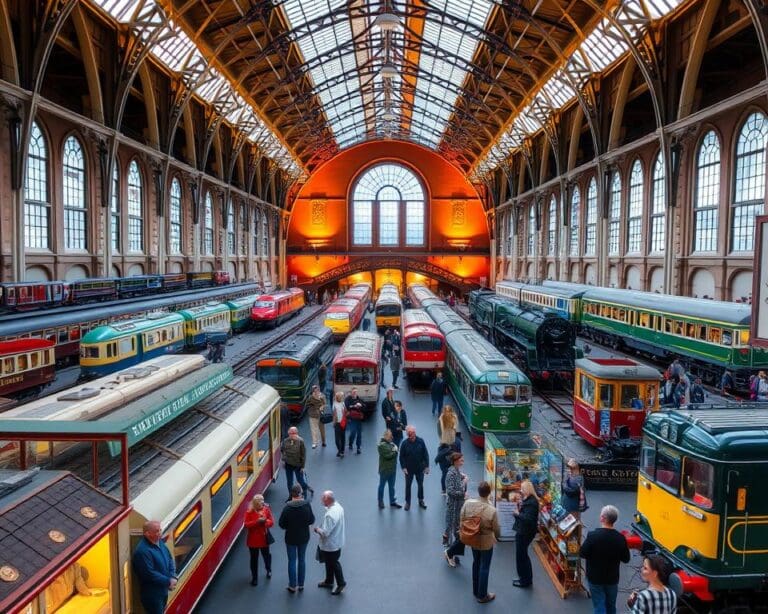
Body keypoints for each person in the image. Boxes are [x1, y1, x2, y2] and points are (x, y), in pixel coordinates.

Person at [579, 504, 631, 614]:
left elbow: (582, 553)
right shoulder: (620, 538)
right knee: (611, 605)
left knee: (599, 605)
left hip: (595, 578)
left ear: (602, 518)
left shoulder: (593, 536)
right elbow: (626, 559)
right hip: (612, 578)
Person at [457, 481, 500, 603]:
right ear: (489, 493)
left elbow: (462, 518)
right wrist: (496, 537)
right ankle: (482, 595)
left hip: (473, 539)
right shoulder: (492, 510)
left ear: (478, 492)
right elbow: (497, 529)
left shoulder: (468, 503)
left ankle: (475, 590)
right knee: (484, 567)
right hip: (486, 542)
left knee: (476, 563)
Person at [131, 520, 177, 614]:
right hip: (152, 595)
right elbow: (149, 573)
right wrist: (168, 581)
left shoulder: (159, 542)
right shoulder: (142, 552)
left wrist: (172, 576)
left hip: (163, 590)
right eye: (157, 531)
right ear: (147, 534)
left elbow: (169, 559)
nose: (160, 532)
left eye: (160, 529)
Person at [278, 484, 315, 593]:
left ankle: (292, 585)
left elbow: (281, 525)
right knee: (302, 560)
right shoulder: (307, 505)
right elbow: (311, 520)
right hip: (304, 537)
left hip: (290, 538)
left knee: (292, 561)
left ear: (292, 494)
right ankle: (301, 584)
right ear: (300, 494)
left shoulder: (287, 508)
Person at [315, 491, 346, 595]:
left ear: (328, 500)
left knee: (333, 563)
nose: (321, 500)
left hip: (330, 544)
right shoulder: (338, 507)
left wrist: (317, 529)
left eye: (323, 499)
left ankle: (341, 583)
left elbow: (325, 533)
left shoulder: (330, 515)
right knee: (329, 562)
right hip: (337, 541)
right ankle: (329, 580)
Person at [512, 479, 539, 589]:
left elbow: (528, 519)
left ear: (527, 490)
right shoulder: (530, 500)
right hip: (524, 531)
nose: (521, 491)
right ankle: (524, 577)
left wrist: (517, 514)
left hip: (525, 532)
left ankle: (525, 580)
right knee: (522, 555)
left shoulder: (532, 503)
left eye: (522, 489)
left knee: (522, 556)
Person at [243, 494, 274, 586]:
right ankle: (254, 577)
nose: (263, 503)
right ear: (256, 504)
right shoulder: (249, 512)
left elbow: (271, 522)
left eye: (263, 501)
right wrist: (257, 522)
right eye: (261, 502)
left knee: (266, 556)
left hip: (264, 538)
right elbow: (246, 524)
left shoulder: (266, 509)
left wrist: (265, 522)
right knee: (254, 559)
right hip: (253, 540)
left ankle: (268, 570)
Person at [399, 425, 430, 510]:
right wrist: (404, 467)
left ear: (415, 433)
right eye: (409, 434)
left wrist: (427, 466)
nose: (411, 435)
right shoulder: (404, 444)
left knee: (420, 485)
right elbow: (401, 457)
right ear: (407, 434)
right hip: (409, 469)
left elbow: (425, 454)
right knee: (408, 485)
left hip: (420, 468)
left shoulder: (421, 441)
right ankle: (408, 502)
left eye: (412, 433)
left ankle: (421, 500)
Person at [443, 452, 468, 546]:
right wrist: (463, 486)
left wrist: (463, 477)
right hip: (453, 504)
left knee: (455, 522)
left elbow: (458, 478)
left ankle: (451, 539)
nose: (463, 461)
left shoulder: (456, 471)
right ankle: (449, 542)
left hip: (458, 503)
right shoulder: (451, 473)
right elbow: (450, 491)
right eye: (461, 460)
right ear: (456, 461)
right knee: (451, 522)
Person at [281, 427, 311, 500]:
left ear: (297, 433)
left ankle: (304, 492)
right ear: (288, 433)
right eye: (291, 433)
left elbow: (303, 454)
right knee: (289, 482)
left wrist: (303, 466)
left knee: (300, 480)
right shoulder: (285, 441)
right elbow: (282, 450)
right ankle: (291, 496)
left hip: (298, 465)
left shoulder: (300, 441)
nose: (292, 435)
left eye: (294, 433)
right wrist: (283, 460)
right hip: (288, 464)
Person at [377, 429, 402, 509]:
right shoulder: (382, 445)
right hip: (384, 470)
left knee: (392, 487)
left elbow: (393, 451)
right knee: (382, 486)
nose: (392, 437)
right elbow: (387, 456)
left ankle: (392, 501)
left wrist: (394, 450)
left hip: (392, 470)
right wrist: (395, 451)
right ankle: (380, 501)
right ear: (386, 436)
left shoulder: (390, 444)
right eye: (390, 435)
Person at [344, 388, 365, 454]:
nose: (354, 393)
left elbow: (364, 406)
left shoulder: (359, 399)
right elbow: (347, 406)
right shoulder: (348, 399)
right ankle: (350, 443)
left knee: (359, 433)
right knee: (353, 432)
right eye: (353, 392)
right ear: (351, 393)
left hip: (358, 418)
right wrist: (354, 406)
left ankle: (358, 447)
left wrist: (360, 405)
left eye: (355, 392)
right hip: (351, 418)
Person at [332, 391, 347, 458]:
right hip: (343, 423)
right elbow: (346, 412)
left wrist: (334, 423)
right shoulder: (343, 403)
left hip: (338, 423)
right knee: (342, 437)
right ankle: (342, 451)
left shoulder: (334, 404)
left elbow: (334, 415)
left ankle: (340, 451)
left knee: (337, 439)